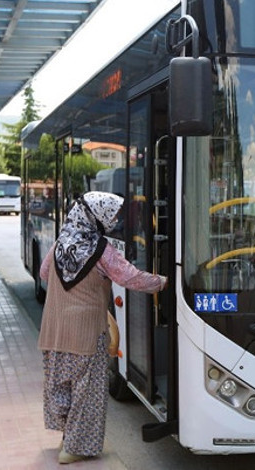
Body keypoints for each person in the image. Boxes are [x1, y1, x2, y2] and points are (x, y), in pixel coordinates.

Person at [37, 191, 167, 464]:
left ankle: (67, 438)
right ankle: (74, 448)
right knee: (86, 391)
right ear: (96, 217)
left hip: (54, 329)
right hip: (86, 332)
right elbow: (130, 278)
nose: (114, 220)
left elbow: (44, 273)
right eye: (111, 215)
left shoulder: (61, 242)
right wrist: (163, 282)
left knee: (62, 386)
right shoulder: (101, 250)